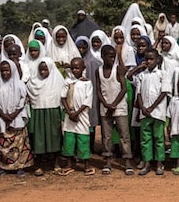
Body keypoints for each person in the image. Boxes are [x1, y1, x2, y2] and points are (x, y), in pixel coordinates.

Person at [0, 57, 32, 177]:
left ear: (12, 70)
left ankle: (20, 166)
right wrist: (3, 115)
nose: (5, 73)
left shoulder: (19, 85)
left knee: (19, 143)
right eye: (2, 71)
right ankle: (4, 167)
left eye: (7, 70)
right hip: (3, 118)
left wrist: (13, 114)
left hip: (17, 118)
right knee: (4, 144)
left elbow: (23, 101)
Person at [130, 50, 170, 176]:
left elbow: (164, 92)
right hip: (145, 112)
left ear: (157, 60)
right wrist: (142, 108)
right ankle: (147, 163)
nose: (148, 61)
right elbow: (139, 93)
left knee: (158, 138)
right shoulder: (142, 75)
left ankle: (159, 163)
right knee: (145, 139)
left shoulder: (163, 74)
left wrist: (152, 107)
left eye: (151, 59)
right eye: (146, 59)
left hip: (157, 112)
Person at [96, 44, 134, 175]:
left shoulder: (118, 70)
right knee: (106, 136)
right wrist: (106, 105)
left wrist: (113, 105)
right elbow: (98, 90)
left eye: (114, 57)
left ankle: (127, 162)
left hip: (119, 107)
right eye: (109, 57)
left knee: (124, 135)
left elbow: (123, 88)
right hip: (105, 108)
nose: (112, 59)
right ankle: (107, 161)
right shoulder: (99, 71)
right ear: (102, 57)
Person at [26, 58, 64, 175]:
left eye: (45, 70)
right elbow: (30, 97)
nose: (42, 72)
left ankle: (56, 163)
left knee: (54, 136)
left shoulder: (58, 81)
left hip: (53, 111)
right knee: (39, 138)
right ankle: (38, 165)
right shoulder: (33, 82)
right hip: (38, 112)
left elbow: (62, 97)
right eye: (40, 70)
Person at [58, 57, 94, 176]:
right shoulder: (68, 81)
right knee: (69, 139)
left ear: (83, 68)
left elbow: (87, 101)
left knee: (83, 139)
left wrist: (77, 113)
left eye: (77, 68)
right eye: (73, 68)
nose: (75, 70)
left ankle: (86, 164)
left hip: (81, 115)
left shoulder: (87, 83)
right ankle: (69, 164)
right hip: (70, 115)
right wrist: (69, 113)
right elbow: (63, 98)